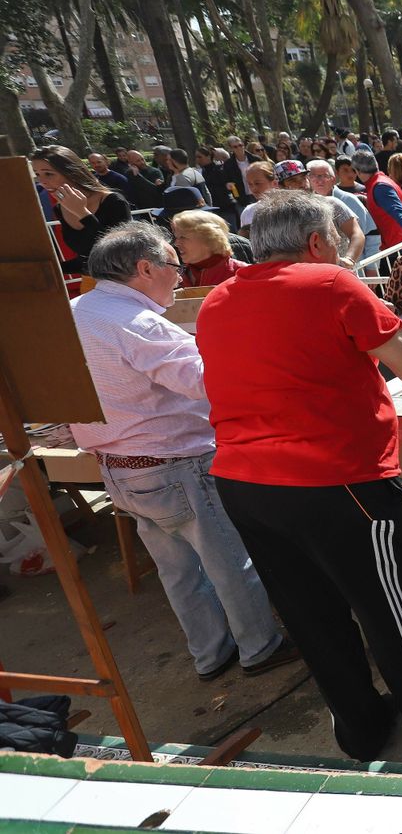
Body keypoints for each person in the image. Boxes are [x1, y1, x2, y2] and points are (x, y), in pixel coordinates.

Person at [199, 191, 402, 761]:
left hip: (245, 485)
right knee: (389, 606)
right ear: (316, 242)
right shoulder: (331, 284)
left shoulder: (218, 300)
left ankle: (360, 727)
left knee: (311, 615)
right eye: (336, 238)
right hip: (336, 483)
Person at [69, 224, 297, 682]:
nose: (179, 276)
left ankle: (210, 654)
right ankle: (258, 647)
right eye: (174, 267)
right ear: (145, 268)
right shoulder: (136, 322)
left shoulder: (75, 313)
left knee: (178, 572)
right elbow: (204, 381)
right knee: (228, 562)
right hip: (174, 464)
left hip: (121, 468)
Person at [32, 145, 131, 277]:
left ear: (70, 172)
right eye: (37, 174)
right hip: (95, 281)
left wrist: (82, 213)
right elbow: (86, 259)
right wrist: (46, 269)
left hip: (126, 282)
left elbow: (120, 253)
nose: (42, 181)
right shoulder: (60, 208)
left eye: (48, 174)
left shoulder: (113, 201)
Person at [263, 161, 362, 266]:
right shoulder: (276, 216)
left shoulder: (331, 204)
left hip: (338, 271)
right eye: (293, 181)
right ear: (280, 186)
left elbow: (356, 233)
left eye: (303, 178)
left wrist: (349, 259)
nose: (302, 184)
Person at [308, 160, 378, 261]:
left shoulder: (349, 200)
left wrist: (371, 266)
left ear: (333, 179)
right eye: (313, 176)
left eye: (324, 176)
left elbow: (372, 235)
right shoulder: (307, 204)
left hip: (356, 264)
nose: (319, 180)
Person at [352, 150, 402, 250]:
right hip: (398, 245)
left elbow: (397, 210)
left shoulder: (380, 186)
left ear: (357, 171)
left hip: (398, 247)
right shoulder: (381, 182)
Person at [171, 210, 249, 287]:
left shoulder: (242, 273)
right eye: (176, 237)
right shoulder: (175, 276)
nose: (176, 243)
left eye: (183, 237)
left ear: (208, 238)